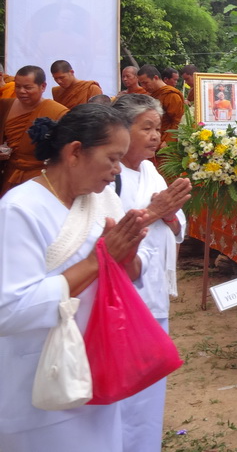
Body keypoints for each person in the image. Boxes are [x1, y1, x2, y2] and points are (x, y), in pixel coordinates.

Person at [0, 104, 148, 451]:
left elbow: (132, 270)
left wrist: (126, 260)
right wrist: (98, 261)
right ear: (75, 152)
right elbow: (10, 309)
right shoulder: (20, 209)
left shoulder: (101, 200)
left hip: (97, 368)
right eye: (112, 158)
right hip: (40, 380)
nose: (117, 170)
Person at [111, 95, 192, 452]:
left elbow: (175, 222)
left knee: (149, 389)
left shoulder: (148, 169)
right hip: (124, 293)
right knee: (124, 390)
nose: (156, 136)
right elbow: (111, 231)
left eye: (157, 128)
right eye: (146, 128)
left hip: (153, 289)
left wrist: (170, 214)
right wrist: (157, 210)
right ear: (120, 130)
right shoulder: (110, 176)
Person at [0, 66, 69, 194]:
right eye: (17, 86)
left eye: (27, 87)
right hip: (10, 176)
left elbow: (66, 152)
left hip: (42, 178)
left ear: (43, 87)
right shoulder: (5, 106)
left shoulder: (57, 112)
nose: (21, 91)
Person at [136, 66, 184, 148]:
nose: (143, 86)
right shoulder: (151, 94)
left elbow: (177, 120)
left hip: (165, 143)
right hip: (153, 138)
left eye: (145, 83)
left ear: (155, 78)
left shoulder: (171, 95)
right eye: (141, 84)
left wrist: (168, 141)